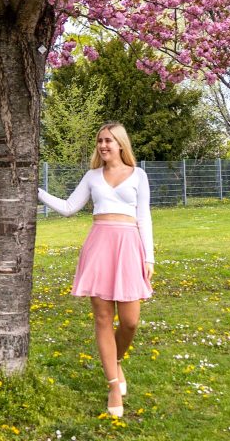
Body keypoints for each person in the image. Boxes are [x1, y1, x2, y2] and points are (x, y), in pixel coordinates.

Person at [38, 122, 154, 418]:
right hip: (99, 246)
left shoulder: (138, 175)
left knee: (130, 322)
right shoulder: (92, 176)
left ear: (120, 144)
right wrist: (36, 191)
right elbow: (68, 207)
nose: (103, 145)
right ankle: (113, 385)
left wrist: (149, 258)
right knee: (103, 319)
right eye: (100, 140)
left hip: (129, 247)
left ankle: (116, 360)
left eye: (108, 140)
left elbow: (144, 217)